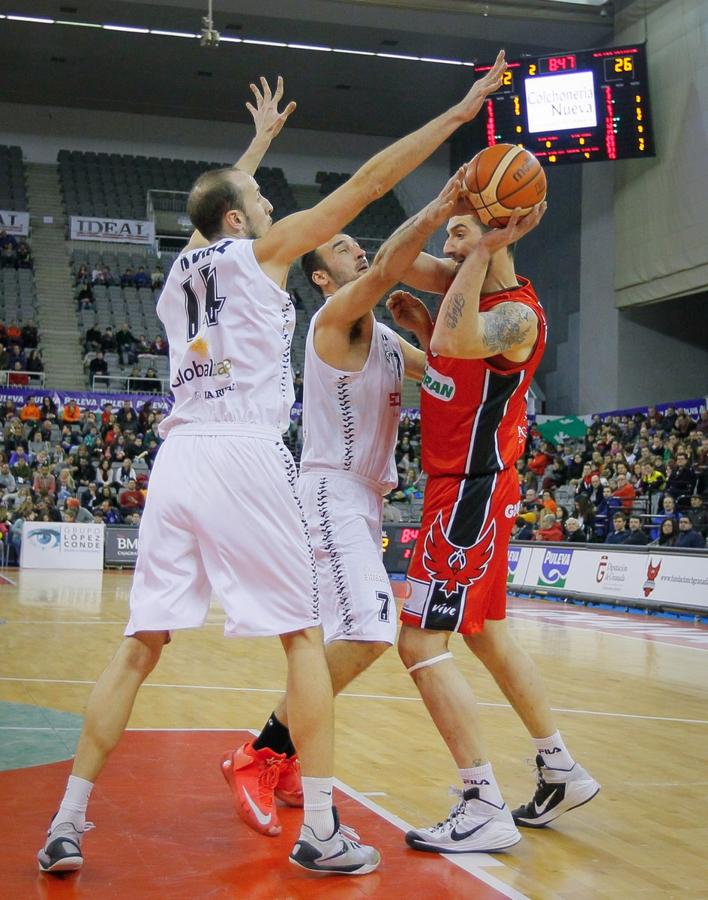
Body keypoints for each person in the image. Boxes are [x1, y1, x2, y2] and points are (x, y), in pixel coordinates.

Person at [38, 60, 510, 876]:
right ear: (239, 220)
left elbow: (211, 205)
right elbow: (363, 185)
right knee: (302, 638)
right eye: (257, 205)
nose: (269, 210)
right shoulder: (266, 254)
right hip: (244, 452)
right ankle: (321, 828)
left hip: (176, 455)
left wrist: (254, 146)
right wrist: (456, 116)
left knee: (138, 646)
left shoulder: (182, 270)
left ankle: (67, 821)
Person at [222, 171, 466, 836]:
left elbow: (443, 376)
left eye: (355, 243)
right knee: (368, 632)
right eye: (339, 249)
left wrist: (434, 324)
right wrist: (439, 209)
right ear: (323, 280)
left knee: (341, 639)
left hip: (363, 501)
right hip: (328, 491)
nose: (355, 248)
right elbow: (391, 266)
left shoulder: (384, 337)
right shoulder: (334, 321)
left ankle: (287, 752)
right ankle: (261, 752)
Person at [386, 202, 598, 854]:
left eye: (459, 232)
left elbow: (455, 342)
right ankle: (558, 766)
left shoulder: (518, 316)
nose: (448, 244)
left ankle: (482, 803)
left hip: (469, 496)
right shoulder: (461, 289)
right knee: (486, 636)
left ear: (496, 235)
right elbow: (393, 263)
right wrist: (447, 200)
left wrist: (482, 249)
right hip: (466, 487)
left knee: (419, 646)